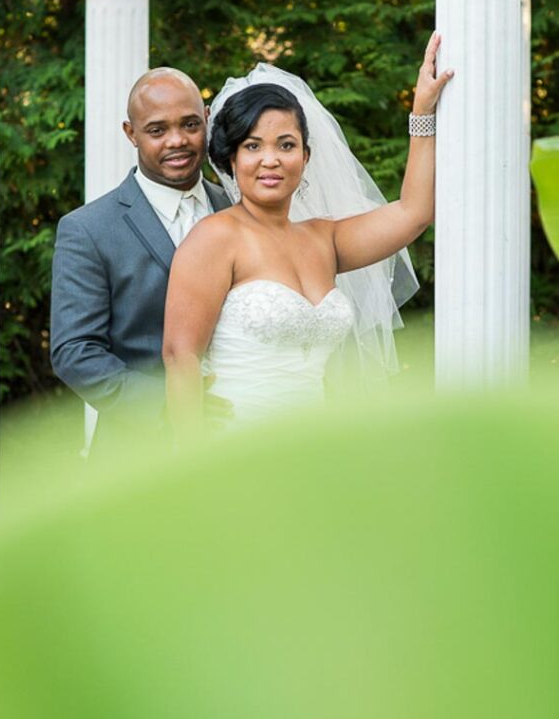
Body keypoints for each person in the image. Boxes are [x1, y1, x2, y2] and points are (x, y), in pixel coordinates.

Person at [163, 33, 453, 430]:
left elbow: (413, 213)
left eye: (286, 145)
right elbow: (181, 357)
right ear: (231, 158)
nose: (271, 160)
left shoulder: (324, 239)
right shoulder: (214, 238)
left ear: (305, 156)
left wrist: (422, 109)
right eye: (252, 146)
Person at [50, 68, 232, 440]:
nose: (176, 141)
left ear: (208, 119)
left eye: (190, 124)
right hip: (143, 446)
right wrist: (173, 403)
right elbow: (75, 351)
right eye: (157, 130)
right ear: (130, 133)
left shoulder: (238, 207)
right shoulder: (88, 229)